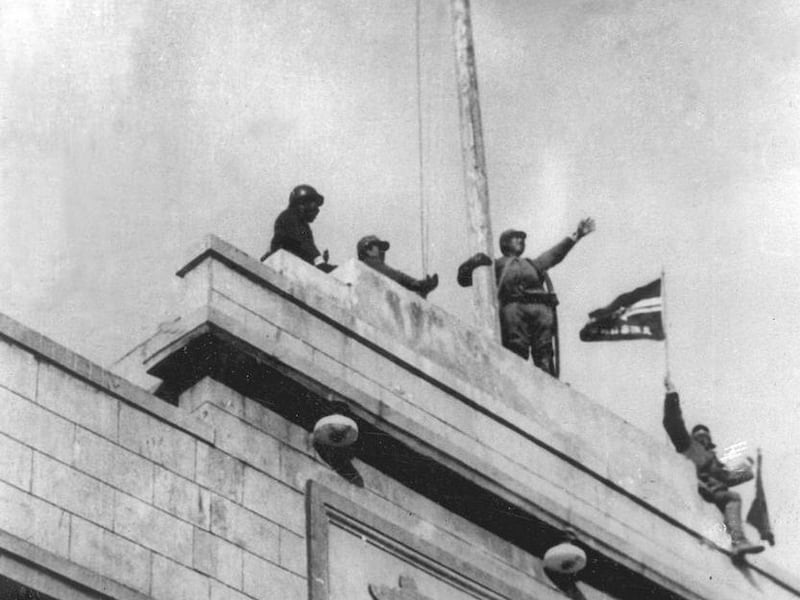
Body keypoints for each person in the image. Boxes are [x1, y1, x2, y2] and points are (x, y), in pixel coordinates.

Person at [457, 218, 595, 375]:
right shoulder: (496, 265)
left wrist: (576, 236)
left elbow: (554, 254)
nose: (521, 240)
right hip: (514, 309)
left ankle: (548, 380)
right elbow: (464, 279)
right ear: (505, 243)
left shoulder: (532, 264)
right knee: (516, 350)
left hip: (540, 310)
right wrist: (473, 263)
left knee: (544, 352)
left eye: (522, 238)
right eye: (516, 237)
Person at [661, 376, 764, 557]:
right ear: (694, 438)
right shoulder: (688, 447)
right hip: (699, 486)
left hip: (714, 491)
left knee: (732, 497)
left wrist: (747, 469)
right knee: (733, 498)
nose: (703, 438)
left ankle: (739, 541)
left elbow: (726, 477)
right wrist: (672, 394)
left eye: (706, 436)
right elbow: (673, 423)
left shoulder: (713, 460)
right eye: (699, 436)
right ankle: (738, 541)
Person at [261, 184, 336, 273]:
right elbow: (304, 242)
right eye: (314, 204)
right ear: (302, 203)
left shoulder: (301, 222)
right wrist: (319, 261)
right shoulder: (290, 216)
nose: (317, 210)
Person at [357, 235, 438, 298]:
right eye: (377, 246)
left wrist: (421, 290)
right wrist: (418, 285)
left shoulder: (377, 273)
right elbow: (393, 275)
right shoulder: (370, 266)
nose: (380, 251)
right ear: (367, 250)